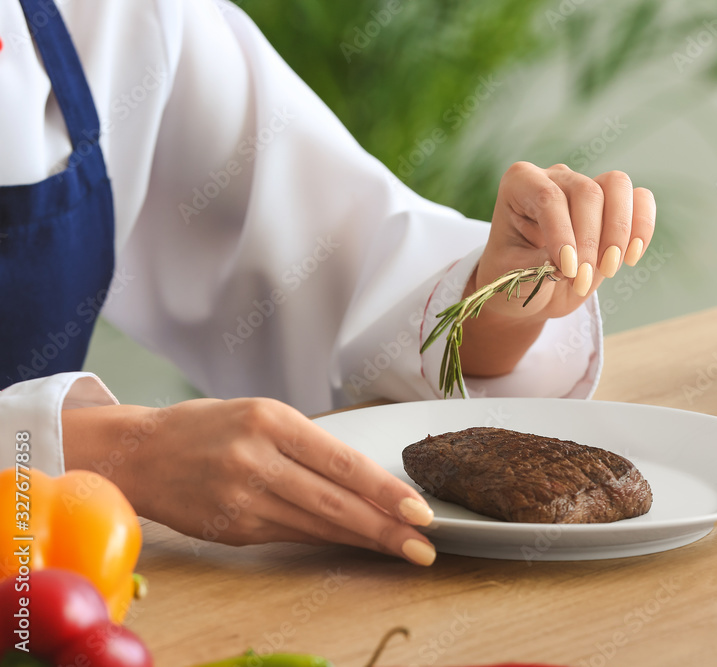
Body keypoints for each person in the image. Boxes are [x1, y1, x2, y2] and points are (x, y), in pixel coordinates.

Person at [0, 0, 656, 566]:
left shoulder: (117, 16)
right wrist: (106, 451)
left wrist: (494, 301)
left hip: (46, 589)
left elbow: (330, 265)